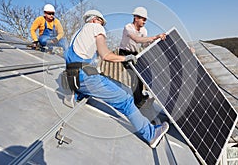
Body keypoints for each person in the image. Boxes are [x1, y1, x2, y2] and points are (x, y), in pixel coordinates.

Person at [64, 9, 169, 148]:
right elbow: (105, 55)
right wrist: (125, 58)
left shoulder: (78, 34)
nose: (102, 26)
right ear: (96, 20)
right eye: (102, 22)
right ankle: (150, 134)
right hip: (85, 78)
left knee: (110, 81)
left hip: (73, 78)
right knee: (125, 99)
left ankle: (76, 93)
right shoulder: (97, 27)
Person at [119, 7, 166, 108]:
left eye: (146, 19)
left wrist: (157, 42)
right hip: (124, 54)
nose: (145, 22)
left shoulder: (144, 30)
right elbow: (137, 39)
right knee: (134, 75)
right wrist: (155, 37)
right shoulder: (128, 27)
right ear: (136, 18)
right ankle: (138, 102)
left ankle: (140, 97)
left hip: (135, 53)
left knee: (141, 74)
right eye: (143, 19)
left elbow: (144, 44)